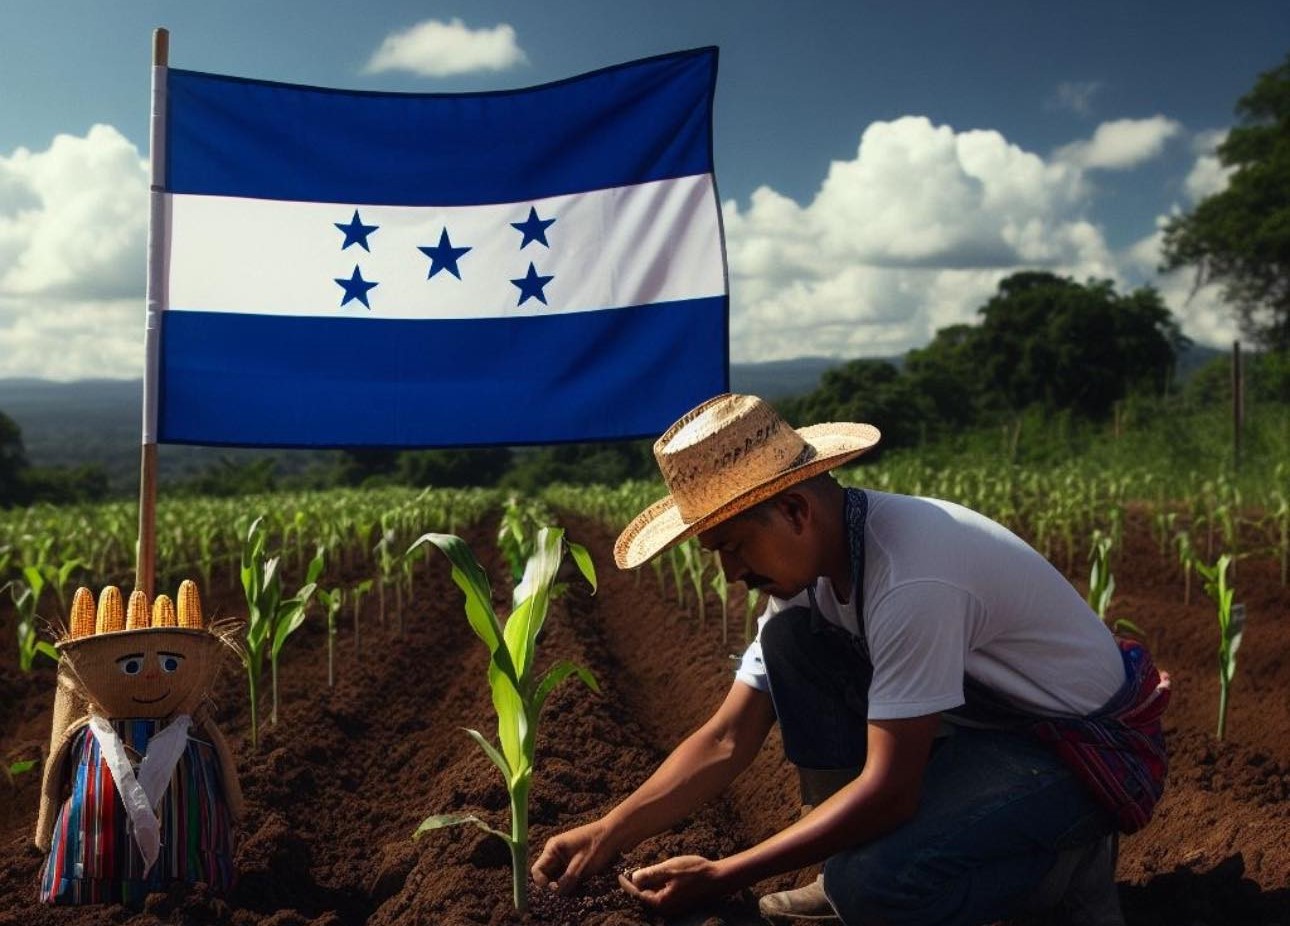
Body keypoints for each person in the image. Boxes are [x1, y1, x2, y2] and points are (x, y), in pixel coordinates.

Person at [531, 393, 1169, 925]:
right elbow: (728, 737)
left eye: (732, 547)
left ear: (795, 510)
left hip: (1072, 756)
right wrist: (609, 830)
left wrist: (724, 874)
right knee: (792, 646)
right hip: (987, 729)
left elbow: (889, 793)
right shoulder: (813, 572)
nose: (729, 573)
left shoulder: (913, 578)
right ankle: (855, 865)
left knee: (874, 889)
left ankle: (1066, 873)